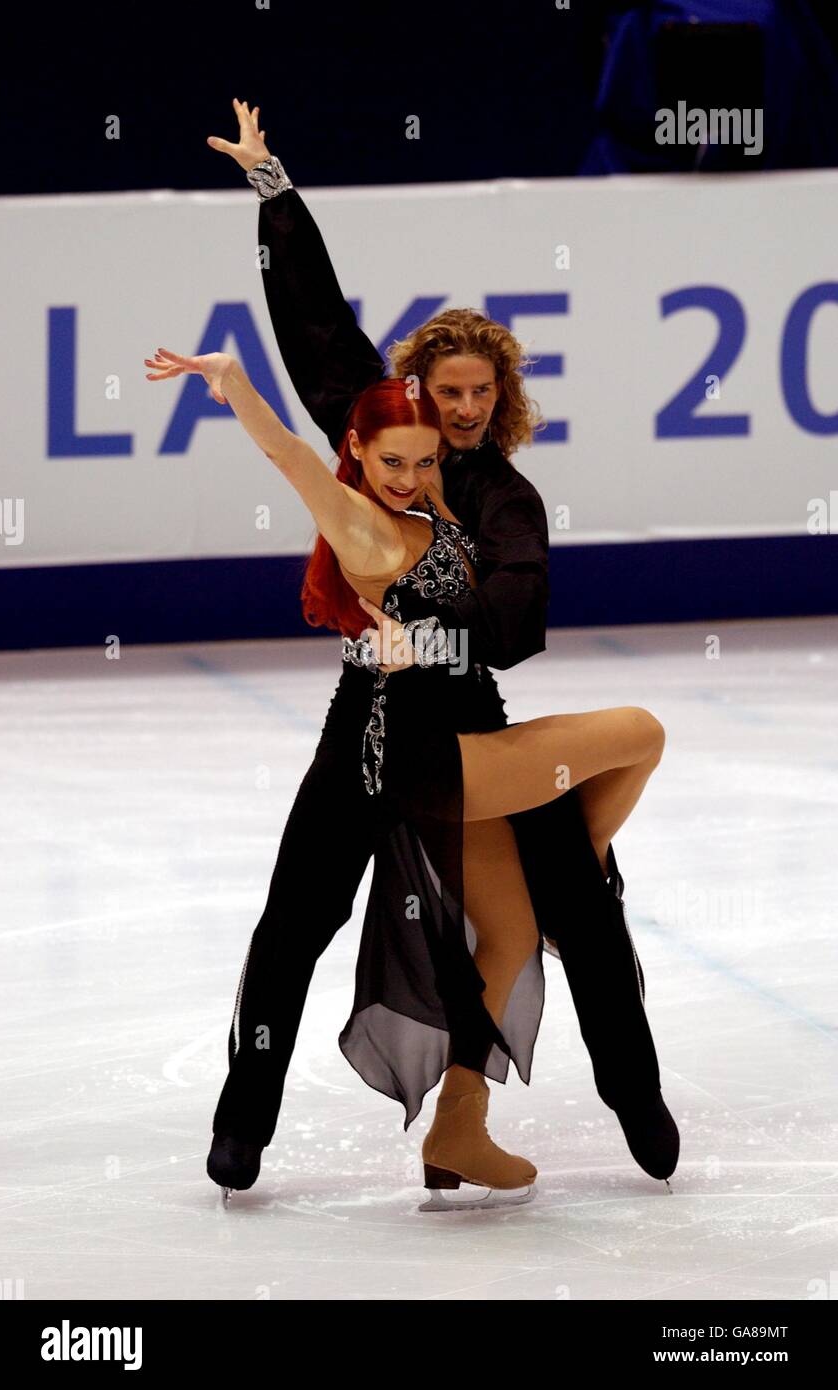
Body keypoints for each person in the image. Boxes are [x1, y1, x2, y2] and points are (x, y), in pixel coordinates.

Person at [197, 100, 680, 1195]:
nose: (460, 410)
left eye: (479, 394)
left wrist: (431, 634)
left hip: (470, 737)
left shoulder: (507, 499)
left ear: (502, 399)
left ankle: (633, 1093)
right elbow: (319, 336)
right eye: (447, 390)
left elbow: (516, 615)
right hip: (366, 733)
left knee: (582, 906)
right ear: (418, 396)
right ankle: (243, 1116)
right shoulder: (388, 444)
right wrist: (274, 191)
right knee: (293, 923)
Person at [145, 344, 673, 1210]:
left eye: (425, 460)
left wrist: (412, 633)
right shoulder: (357, 516)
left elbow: (464, 588)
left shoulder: (441, 500)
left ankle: (460, 1119)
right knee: (638, 737)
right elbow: (288, 453)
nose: (410, 474)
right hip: (397, 750)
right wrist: (234, 385)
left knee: (507, 936)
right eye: (392, 459)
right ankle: (242, 1123)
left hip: (460, 741)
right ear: (355, 452)